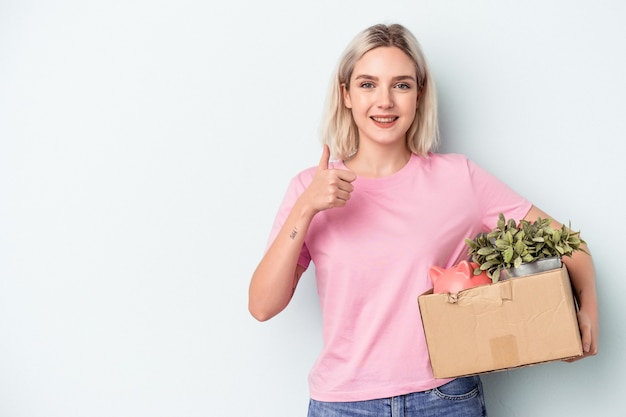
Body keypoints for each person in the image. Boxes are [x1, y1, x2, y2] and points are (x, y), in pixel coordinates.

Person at [248, 23, 598, 417]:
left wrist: (587, 313)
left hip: (445, 398)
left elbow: (569, 244)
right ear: (345, 94)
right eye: (367, 85)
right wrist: (306, 208)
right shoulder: (310, 188)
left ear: (419, 95)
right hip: (341, 404)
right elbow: (262, 305)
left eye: (401, 85)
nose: (384, 101)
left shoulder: (458, 179)